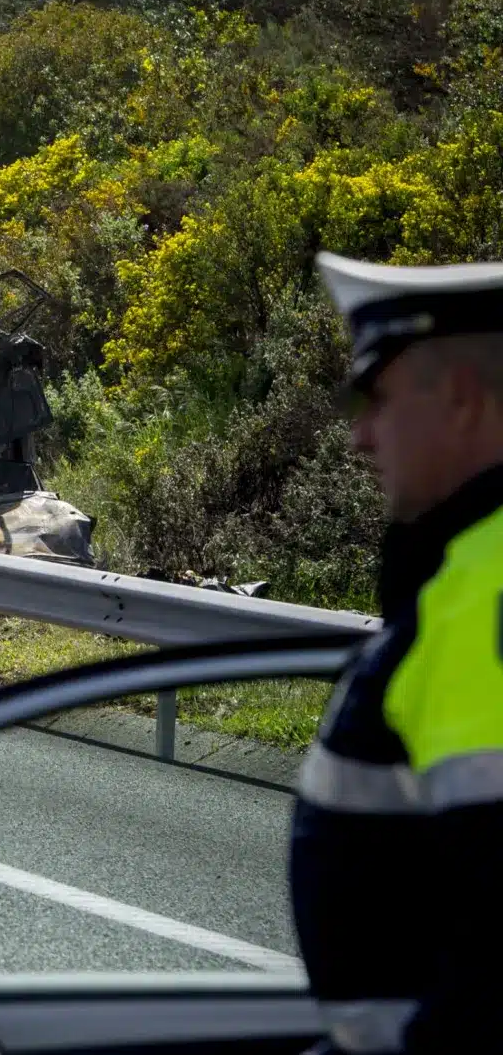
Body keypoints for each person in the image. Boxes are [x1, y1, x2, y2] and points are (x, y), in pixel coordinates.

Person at [293, 251, 503, 1054]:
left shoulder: (487, 598)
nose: (359, 437)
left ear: (457, 397)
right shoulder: (463, 573)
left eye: (374, 398)